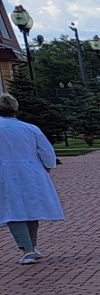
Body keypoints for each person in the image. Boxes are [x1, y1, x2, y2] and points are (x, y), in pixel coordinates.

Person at [0, 92, 63, 265]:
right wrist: (46, 168)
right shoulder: (30, 128)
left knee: (12, 210)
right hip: (31, 172)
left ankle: (27, 249)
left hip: (5, 172)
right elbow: (47, 151)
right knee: (30, 208)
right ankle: (32, 246)